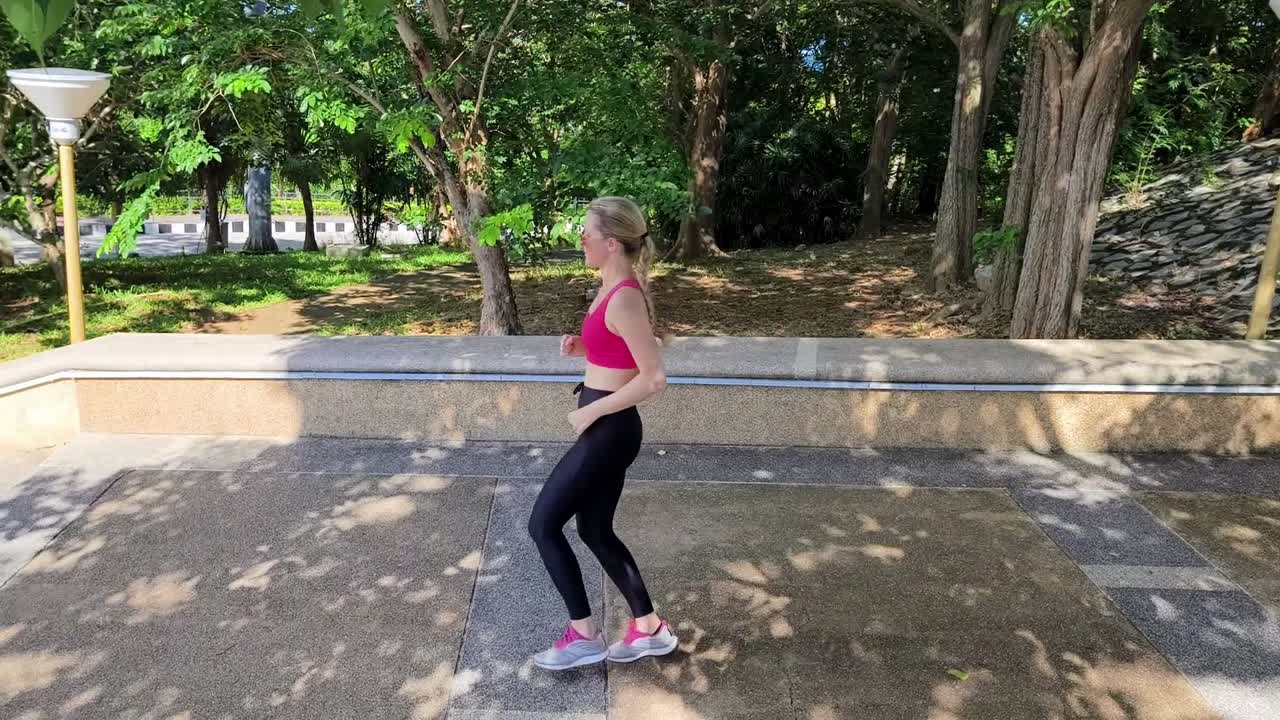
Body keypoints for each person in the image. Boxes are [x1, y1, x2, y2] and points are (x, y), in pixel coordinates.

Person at [528, 196, 679, 671]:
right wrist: (582, 350)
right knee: (593, 528)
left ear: (612, 243)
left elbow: (654, 378)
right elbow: (626, 350)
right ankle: (650, 627)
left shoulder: (625, 295)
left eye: (587, 234)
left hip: (610, 429)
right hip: (606, 425)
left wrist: (592, 415)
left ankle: (584, 635)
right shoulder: (610, 288)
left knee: (543, 524)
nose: (581, 241)